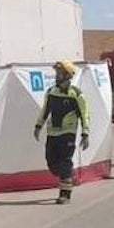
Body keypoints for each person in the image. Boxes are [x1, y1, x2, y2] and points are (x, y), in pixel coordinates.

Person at [33, 60, 90, 204]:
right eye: (56, 73)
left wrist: (85, 133)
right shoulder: (51, 92)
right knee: (51, 163)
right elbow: (45, 110)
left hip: (68, 133)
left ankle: (65, 194)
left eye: (59, 73)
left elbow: (85, 114)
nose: (56, 76)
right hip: (52, 133)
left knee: (65, 162)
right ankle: (68, 176)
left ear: (67, 75)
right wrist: (38, 126)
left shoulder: (76, 95)